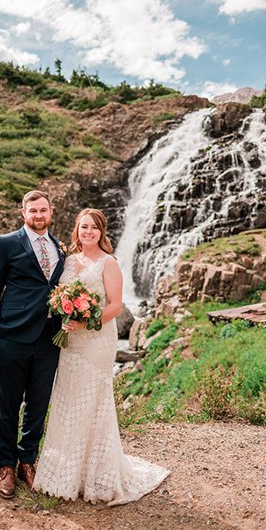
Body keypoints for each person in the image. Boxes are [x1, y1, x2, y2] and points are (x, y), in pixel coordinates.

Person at [33, 209, 169, 503]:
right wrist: (64, 313)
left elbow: (117, 307)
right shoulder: (68, 261)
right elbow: (55, 297)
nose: (88, 232)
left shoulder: (109, 263)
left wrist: (85, 321)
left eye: (94, 228)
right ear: (77, 230)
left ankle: (98, 473)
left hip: (97, 341)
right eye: (84, 227)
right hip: (70, 342)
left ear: (101, 232)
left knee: (94, 401)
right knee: (68, 401)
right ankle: (68, 472)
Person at [0, 190, 67, 498]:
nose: (39, 215)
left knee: (38, 404)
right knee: (8, 404)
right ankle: (6, 465)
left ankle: (27, 461)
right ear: (24, 213)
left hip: (49, 337)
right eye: (33, 211)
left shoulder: (60, 246)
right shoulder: (5, 243)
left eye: (43, 209)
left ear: (50, 212)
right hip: (13, 336)